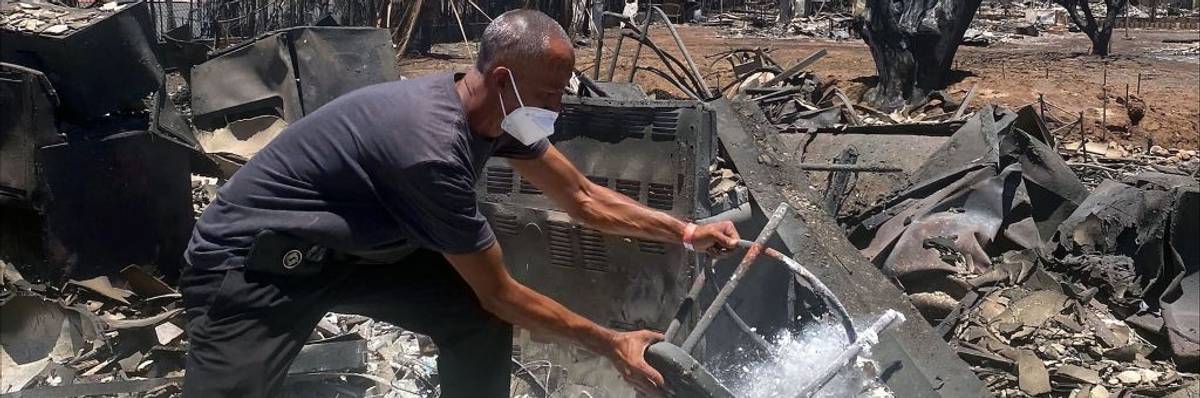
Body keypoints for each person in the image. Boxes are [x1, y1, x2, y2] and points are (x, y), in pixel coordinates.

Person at [179, 9, 740, 398]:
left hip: (349, 256)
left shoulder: (496, 112)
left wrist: (686, 233)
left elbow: (583, 196)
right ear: (503, 78)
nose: (558, 107)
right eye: (550, 94)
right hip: (253, 265)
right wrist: (613, 343)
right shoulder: (428, 148)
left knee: (467, 313)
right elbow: (501, 293)